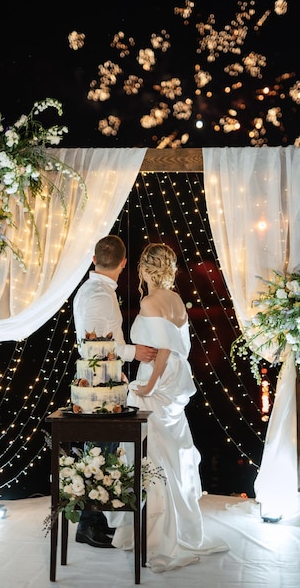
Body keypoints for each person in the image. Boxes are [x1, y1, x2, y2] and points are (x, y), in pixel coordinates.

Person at [109, 243, 230, 571]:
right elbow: (176, 346)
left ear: (144, 270)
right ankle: (173, 525)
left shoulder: (150, 301)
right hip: (177, 377)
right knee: (171, 451)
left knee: (154, 452)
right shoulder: (175, 298)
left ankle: (160, 535)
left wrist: (148, 385)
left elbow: (163, 349)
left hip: (159, 380)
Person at [72, 234, 157, 549]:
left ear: (95, 260)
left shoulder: (93, 290)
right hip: (97, 385)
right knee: (100, 452)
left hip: (102, 379)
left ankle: (95, 521)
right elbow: (98, 345)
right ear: (123, 263)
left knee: (103, 451)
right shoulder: (98, 295)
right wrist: (136, 353)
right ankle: (88, 525)